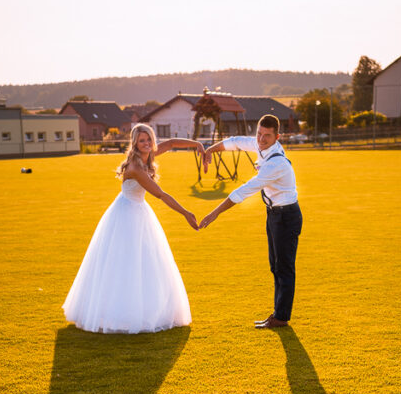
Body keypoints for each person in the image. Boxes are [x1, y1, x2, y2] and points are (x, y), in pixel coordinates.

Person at [63, 124, 201, 334]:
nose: (146, 144)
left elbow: (172, 143)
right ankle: (119, 313)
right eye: (142, 140)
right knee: (124, 263)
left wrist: (197, 144)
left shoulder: (151, 153)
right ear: (135, 143)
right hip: (126, 214)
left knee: (146, 262)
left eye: (149, 140)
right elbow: (160, 194)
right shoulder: (135, 168)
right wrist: (186, 213)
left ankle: (146, 310)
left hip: (140, 212)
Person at [199, 115, 302, 329]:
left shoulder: (276, 164)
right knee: (275, 266)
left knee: (284, 268)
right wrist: (210, 150)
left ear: (277, 137)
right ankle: (278, 313)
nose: (261, 139)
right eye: (259, 134)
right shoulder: (259, 144)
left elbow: (243, 191)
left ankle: (281, 317)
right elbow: (235, 141)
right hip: (274, 213)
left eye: (267, 136)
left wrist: (215, 213)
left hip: (286, 216)